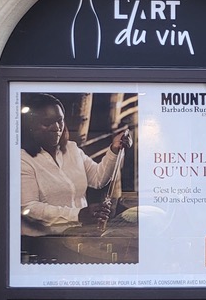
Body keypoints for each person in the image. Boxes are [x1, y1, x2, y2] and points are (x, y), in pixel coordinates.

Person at [19, 93, 132, 238]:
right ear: (30, 126)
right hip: (44, 240)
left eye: (60, 121)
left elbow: (98, 179)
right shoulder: (23, 159)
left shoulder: (72, 149)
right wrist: (78, 214)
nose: (57, 128)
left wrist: (114, 149)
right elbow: (29, 208)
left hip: (78, 236)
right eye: (47, 123)